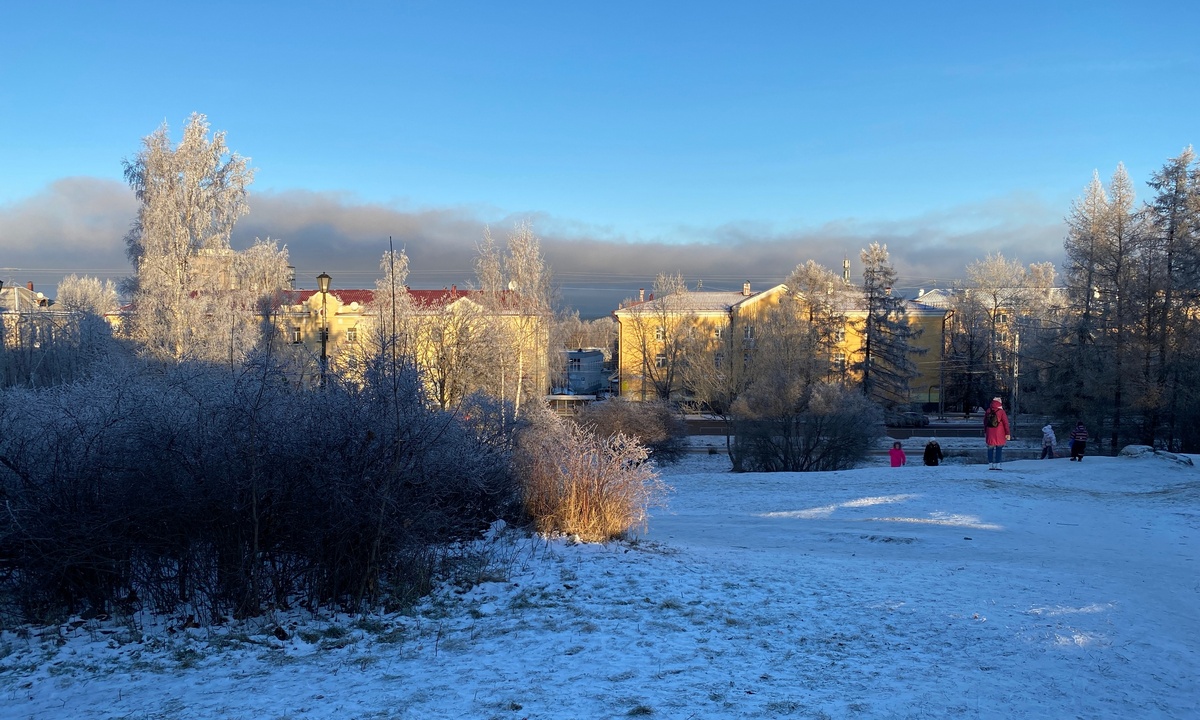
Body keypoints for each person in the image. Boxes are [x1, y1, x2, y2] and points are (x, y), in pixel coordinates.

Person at [983, 396, 1010, 470]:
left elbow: (985, 422)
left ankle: (990, 465)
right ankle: (998, 465)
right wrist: (1007, 433)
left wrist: (985, 431)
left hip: (990, 432)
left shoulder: (988, 410)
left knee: (990, 449)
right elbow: (1006, 423)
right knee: (999, 449)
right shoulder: (1001, 412)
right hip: (1000, 433)